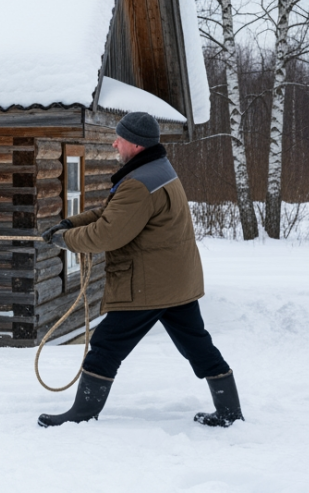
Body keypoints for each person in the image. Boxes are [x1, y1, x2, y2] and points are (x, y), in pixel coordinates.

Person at [37, 111, 243, 428]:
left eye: (119, 138)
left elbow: (108, 233)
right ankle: (230, 411)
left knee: (105, 345)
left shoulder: (138, 183)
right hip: (175, 280)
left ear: (134, 143)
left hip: (149, 284)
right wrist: (70, 223)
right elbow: (111, 213)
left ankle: (81, 414)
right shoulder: (157, 170)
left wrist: (67, 240)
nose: (114, 142)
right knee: (197, 344)